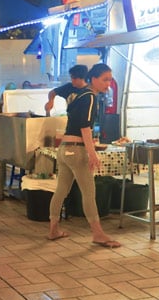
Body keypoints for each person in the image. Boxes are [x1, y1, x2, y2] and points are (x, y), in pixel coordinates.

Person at [48, 63, 121, 248]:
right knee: (89, 192)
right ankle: (98, 234)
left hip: (64, 149)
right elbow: (85, 128)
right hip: (77, 149)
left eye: (110, 80)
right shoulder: (89, 97)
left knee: (61, 190)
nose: (108, 84)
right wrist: (92, 153)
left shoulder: (79, 95)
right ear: (93, 79)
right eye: (104, 80)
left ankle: (53, 230)